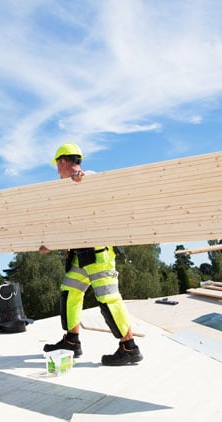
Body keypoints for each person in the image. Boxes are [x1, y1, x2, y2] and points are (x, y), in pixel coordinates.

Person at [40, 142, 143, 366]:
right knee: (69, 293)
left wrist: (83, 179)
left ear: (63, 161)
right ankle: (71, 341)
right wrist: (52, 242)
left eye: (57, 165)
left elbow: (100, 190)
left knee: (108, 299)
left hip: (99, 253)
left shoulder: (89, 179)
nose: (57, 170)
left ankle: (129, 347)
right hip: (79, 254)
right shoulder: (64, 190)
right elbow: (68, 223)